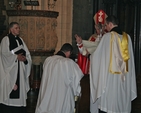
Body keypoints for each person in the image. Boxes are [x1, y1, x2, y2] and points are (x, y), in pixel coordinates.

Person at [90, 15, 137, 113]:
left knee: (109, 106)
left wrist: (91, 55)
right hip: (124, 79)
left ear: (110, 24)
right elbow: (130, 61)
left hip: (110, 80)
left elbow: (98, 57)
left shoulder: (107, 37)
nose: (105, 28)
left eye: (106, 25)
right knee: (122, 105)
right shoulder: (127, 37)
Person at [35, 43, 83, 113]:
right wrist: (78, 92)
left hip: (47, 98)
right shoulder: (68, 62)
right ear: (69, 52)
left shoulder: (48, 60)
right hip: (61, 99)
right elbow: (78, 79)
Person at [0, 22, 32, 113]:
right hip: (11, 70)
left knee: (20, 91)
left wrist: (25, 59)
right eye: (16, 28)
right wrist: (16, 57)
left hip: (20, 69)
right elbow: (4, 54)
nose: (18, 29)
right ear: (10, 29)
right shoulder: (6, 40)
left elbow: (28, 54)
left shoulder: (21, 40)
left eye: (19, 28)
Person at [75, 10, 108, 75]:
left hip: (104, 66)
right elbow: (83, 52)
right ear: (95, 27)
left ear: (105, 27)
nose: (99, 29)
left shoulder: (108, 37)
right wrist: (80, 44)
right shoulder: (92, 38)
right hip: (93, 66)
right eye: (98, 27)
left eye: (101, 27)